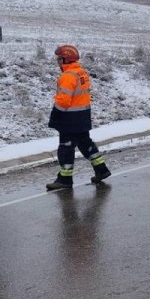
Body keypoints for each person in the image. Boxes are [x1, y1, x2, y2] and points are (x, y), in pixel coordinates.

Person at [45, 44, 112, 191]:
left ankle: (65, 179)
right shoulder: (81, 73)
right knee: (85, 144)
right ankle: (101, 169)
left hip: (69, 119)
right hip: (82, 116)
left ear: (65, 60)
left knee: (65, 149)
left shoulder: (67, 76)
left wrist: (55, 116)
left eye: (59, 59)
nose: (58, 62)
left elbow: (63, 101)